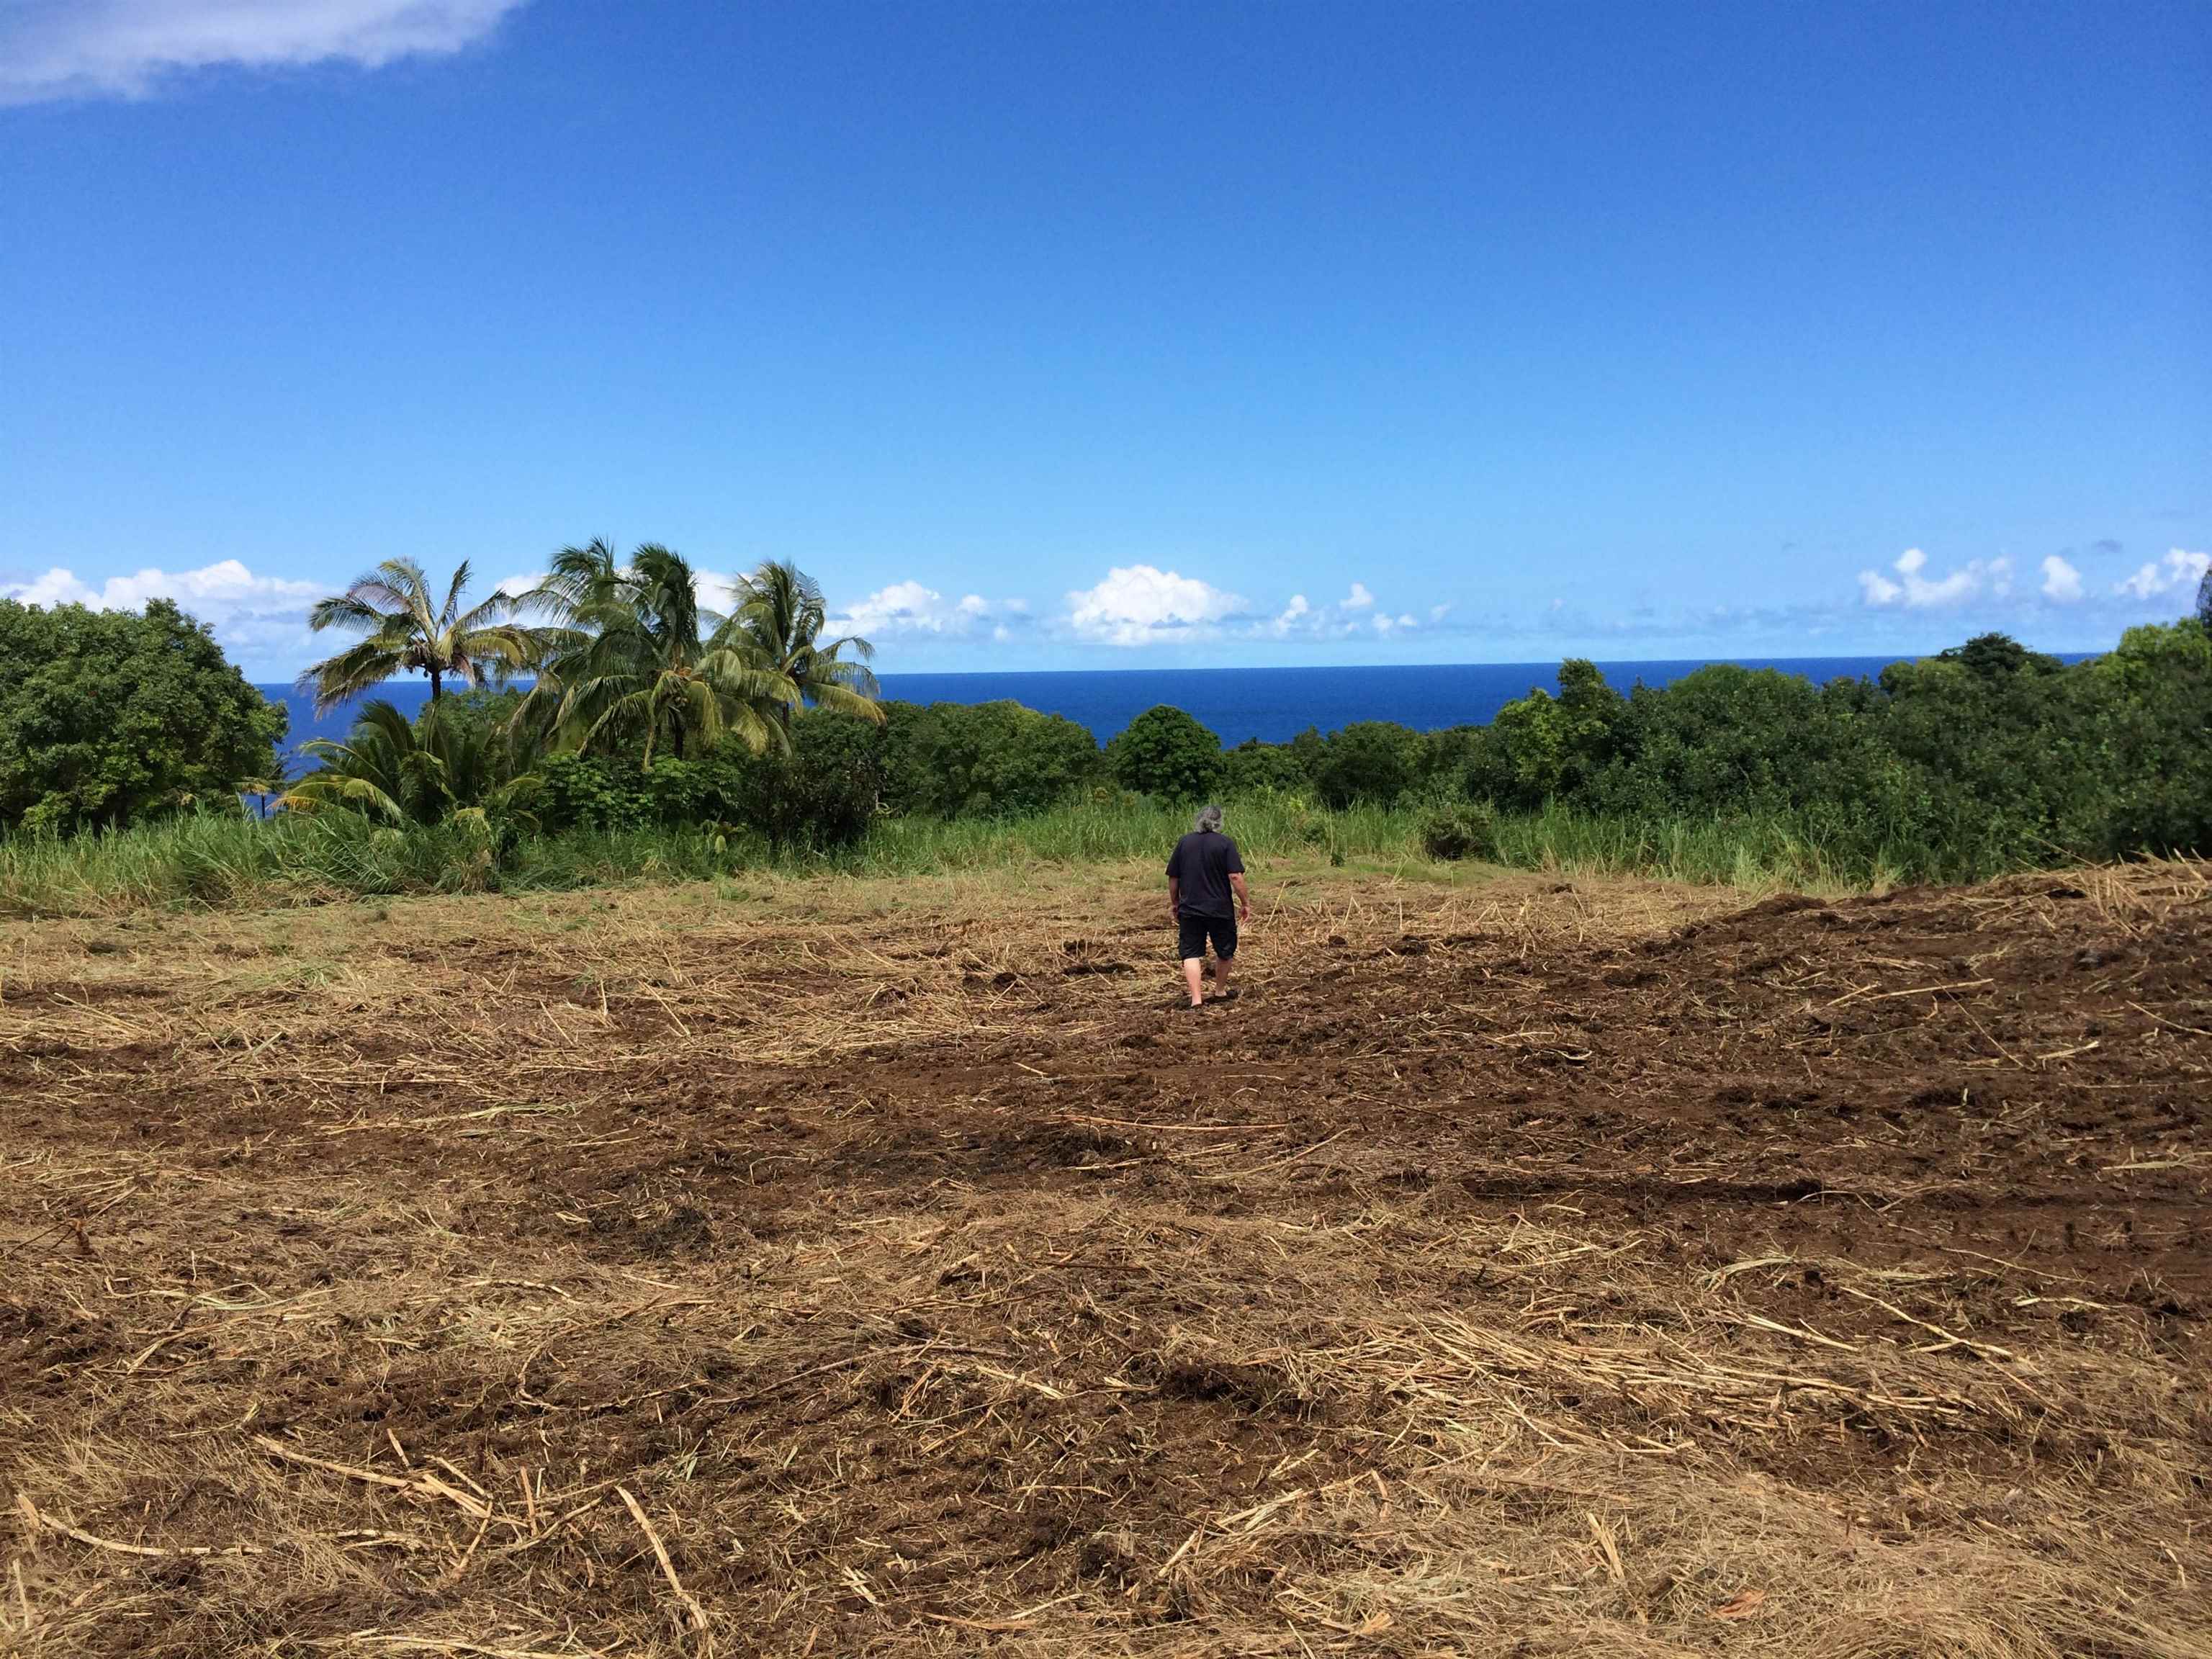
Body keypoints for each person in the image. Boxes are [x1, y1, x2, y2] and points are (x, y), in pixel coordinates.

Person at [1166, 804, 1250, 1008]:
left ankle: (1196, 1000)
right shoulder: (1225, 843)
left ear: (1198, 820)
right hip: (1220, 908)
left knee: (1191, 952)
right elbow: (1235, 877)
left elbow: (1173, 878)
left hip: (1190, 908)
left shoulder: (1184, 843)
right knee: (1225, 950)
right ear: (1219, 821)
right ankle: (1220, 991)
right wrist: (1245, 903)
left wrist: (1175, 903)